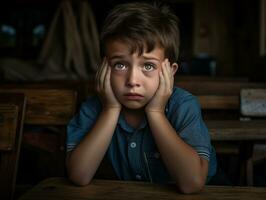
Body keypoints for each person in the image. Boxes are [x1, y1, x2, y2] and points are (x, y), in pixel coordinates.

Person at [66, 2, 217, 194]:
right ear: (103, 69)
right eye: (120, 65)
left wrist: (156, 112)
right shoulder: (93, 109)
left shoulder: (183, 106)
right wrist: (110, 109)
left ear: (170, 72)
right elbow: (79, 176)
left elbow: (192, 183)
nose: (132, 80)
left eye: (148, 66)